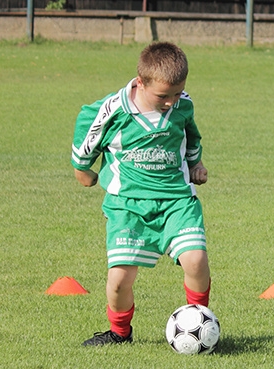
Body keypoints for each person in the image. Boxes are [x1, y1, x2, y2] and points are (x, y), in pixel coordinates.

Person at [72, 42, 212, 346]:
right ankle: (119, 333)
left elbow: (190, 135)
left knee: (196, 260)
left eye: (177, 93)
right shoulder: (114, 109)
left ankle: (202, 322)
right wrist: (82, 168)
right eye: (163, 95)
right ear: (140, 82)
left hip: (176, 200)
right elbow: (88, 126)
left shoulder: (183, 105)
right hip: (128, 205)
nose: (170, 102)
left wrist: (196, 163)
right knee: (120, 279)